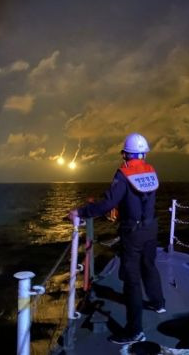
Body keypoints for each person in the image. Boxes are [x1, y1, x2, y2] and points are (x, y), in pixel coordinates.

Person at [69, 132, 165, 345]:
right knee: (149, 265)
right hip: (152, 228)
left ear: (125, 154)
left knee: (132, 281)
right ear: (144, 154)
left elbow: (107, 203)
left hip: (133, 232)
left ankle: (135, 331)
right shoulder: (151, 171)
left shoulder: (123, 174)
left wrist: (80, 213)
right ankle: (158, 303)